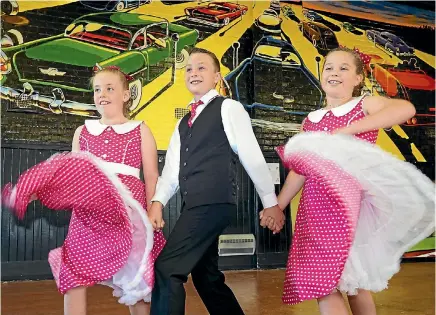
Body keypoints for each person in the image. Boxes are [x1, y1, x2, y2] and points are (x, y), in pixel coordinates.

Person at [264, 47, 435, 315]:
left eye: (344, 68)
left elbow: (405, 108)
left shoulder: (362, 105)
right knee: (347, 284)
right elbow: (300, 170)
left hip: (345, 208)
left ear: (358, 78)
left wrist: (345, 131)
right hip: (315, 209)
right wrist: (279, 206)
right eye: (329, 67)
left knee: (336, 286)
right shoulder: (311, 121)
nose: (334, 72)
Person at [2, 66, 165, 315]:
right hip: (88, 213)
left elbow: (152, 175)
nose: (102, 94)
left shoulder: (140, 129)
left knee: (135, 275)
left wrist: (155, 208)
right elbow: (72, 175)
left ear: (125, 95)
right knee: (74, 270)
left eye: (110, 88)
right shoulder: (83, 131)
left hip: (127, 212)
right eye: (97, 89)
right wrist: (40, 190)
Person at [147, 47, 285, 315]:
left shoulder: (228, 107)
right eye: (189, 68)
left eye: (201, 67)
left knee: (168, 267)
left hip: (213, 202)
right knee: (205, 275)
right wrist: (157, 202)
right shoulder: (183, 122)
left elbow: (252, 156)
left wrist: (271, 202)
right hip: (196, 205)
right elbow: (173, 170)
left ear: (217, 78)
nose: (193, 72)